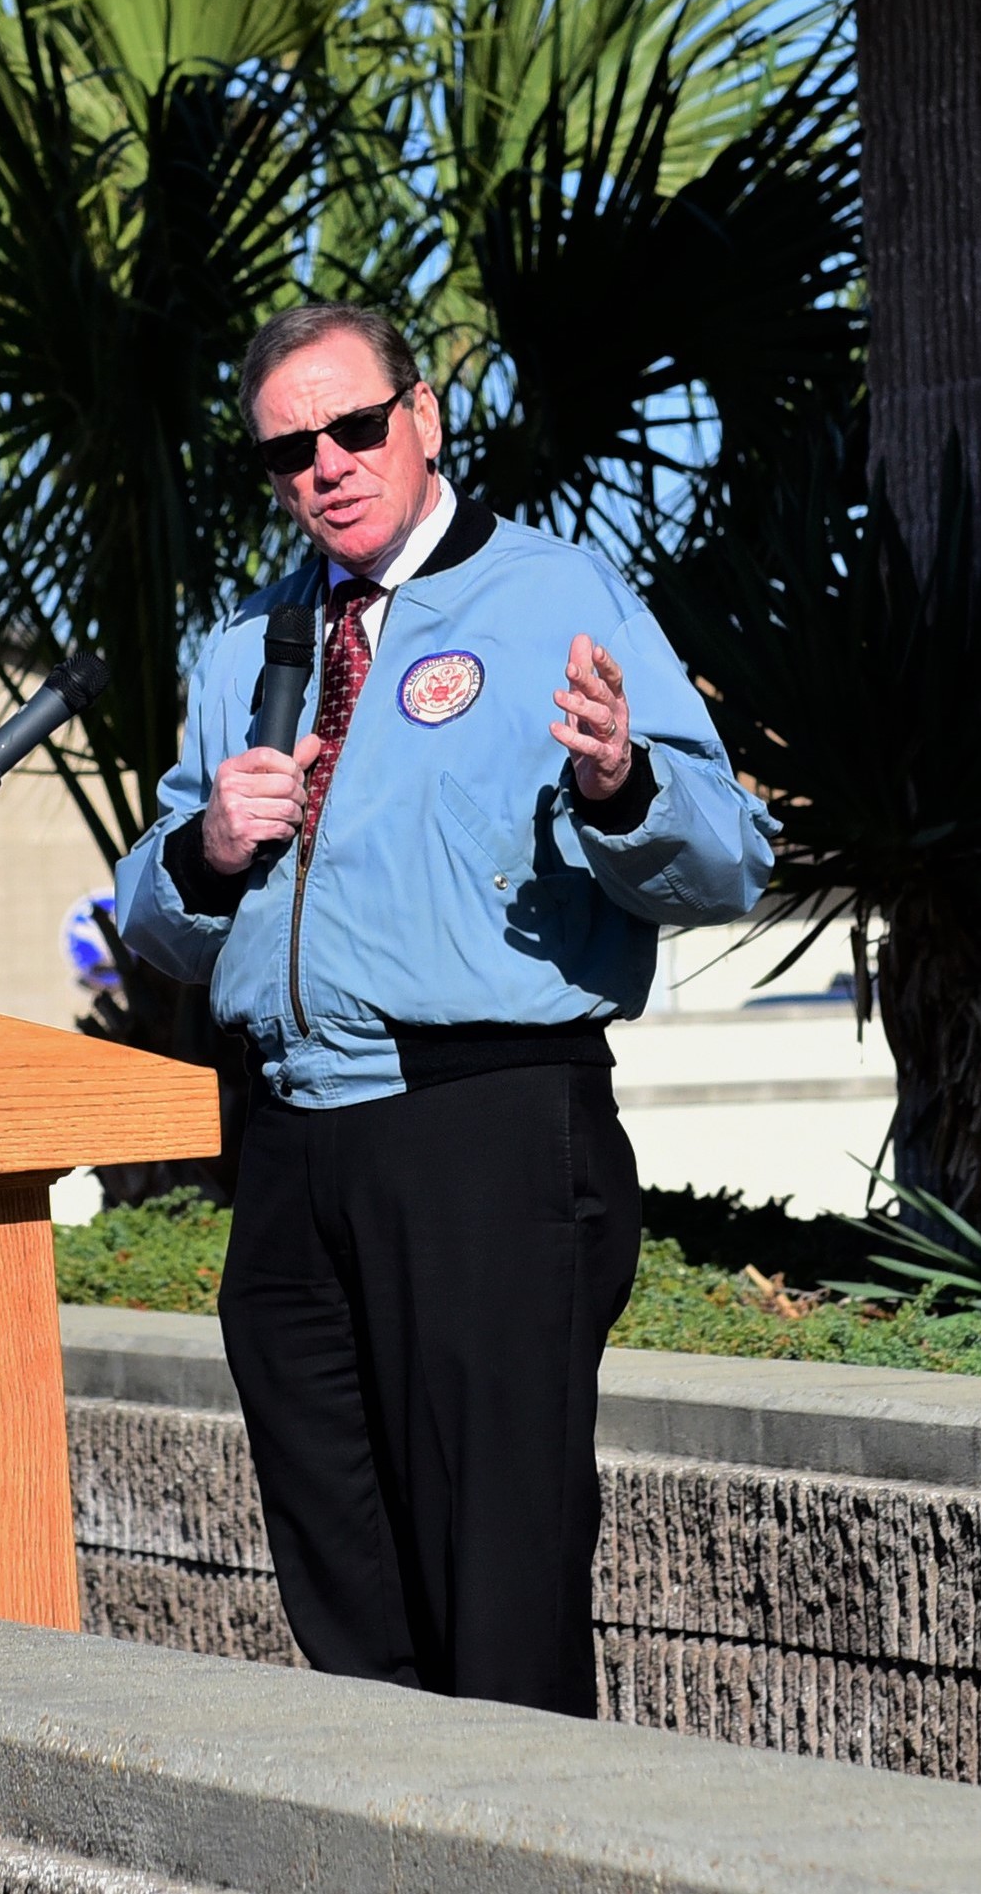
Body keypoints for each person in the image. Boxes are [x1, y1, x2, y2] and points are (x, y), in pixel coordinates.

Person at [114, 302, 776, 1715]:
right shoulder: (247, 643)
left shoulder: (554, 596)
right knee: (339, 1575)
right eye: (290, 449)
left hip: (484, 1128)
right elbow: (154, 916)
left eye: (355, 426)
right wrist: (209, 848)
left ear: (421, 417)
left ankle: (525, 1824)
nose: (328, 465)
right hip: (291, 1146)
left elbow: (729, 854)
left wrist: (622, 784)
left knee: (499, 1580)